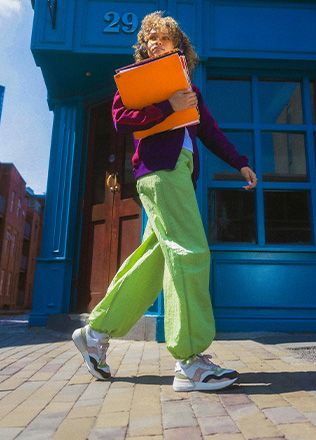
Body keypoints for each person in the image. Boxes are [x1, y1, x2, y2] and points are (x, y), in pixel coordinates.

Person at [72, 10, 257, 392]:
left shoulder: (188, 87)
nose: (155, 43)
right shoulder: (138, 80)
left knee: (155, 259)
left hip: (178, 171)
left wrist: (239, 162)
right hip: (161, 172)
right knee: (189, 251)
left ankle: (95, 332)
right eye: (150, 38)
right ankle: (190, 362)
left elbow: (209, 130)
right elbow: (122, 119)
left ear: (178, 45)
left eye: (163, 37)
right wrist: (167, 107)